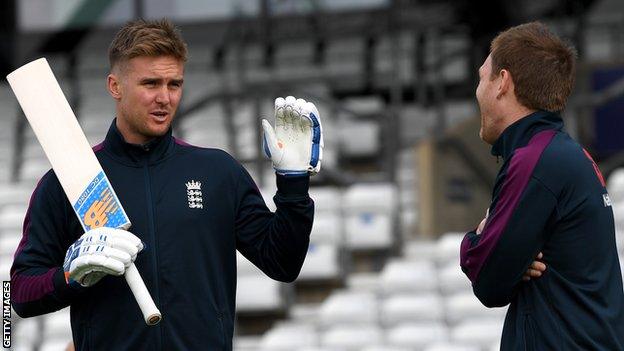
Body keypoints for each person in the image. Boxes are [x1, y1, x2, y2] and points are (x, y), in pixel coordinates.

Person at [10, 19, 323, 350]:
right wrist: (72, 276)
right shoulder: (66, 181)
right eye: (150, 83)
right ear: (115, 86)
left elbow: (283, 264)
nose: (164, 98)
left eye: (174, 84)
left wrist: (293, 186)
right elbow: (17, 294)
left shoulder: (218, 171)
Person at [460, 22, 624, 349]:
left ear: (502, 83)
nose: (477, 91)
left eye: (481, 78)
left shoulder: (536, 160)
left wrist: (475, 241)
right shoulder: (566, 154)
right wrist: (506, 256)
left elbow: (489, 282)